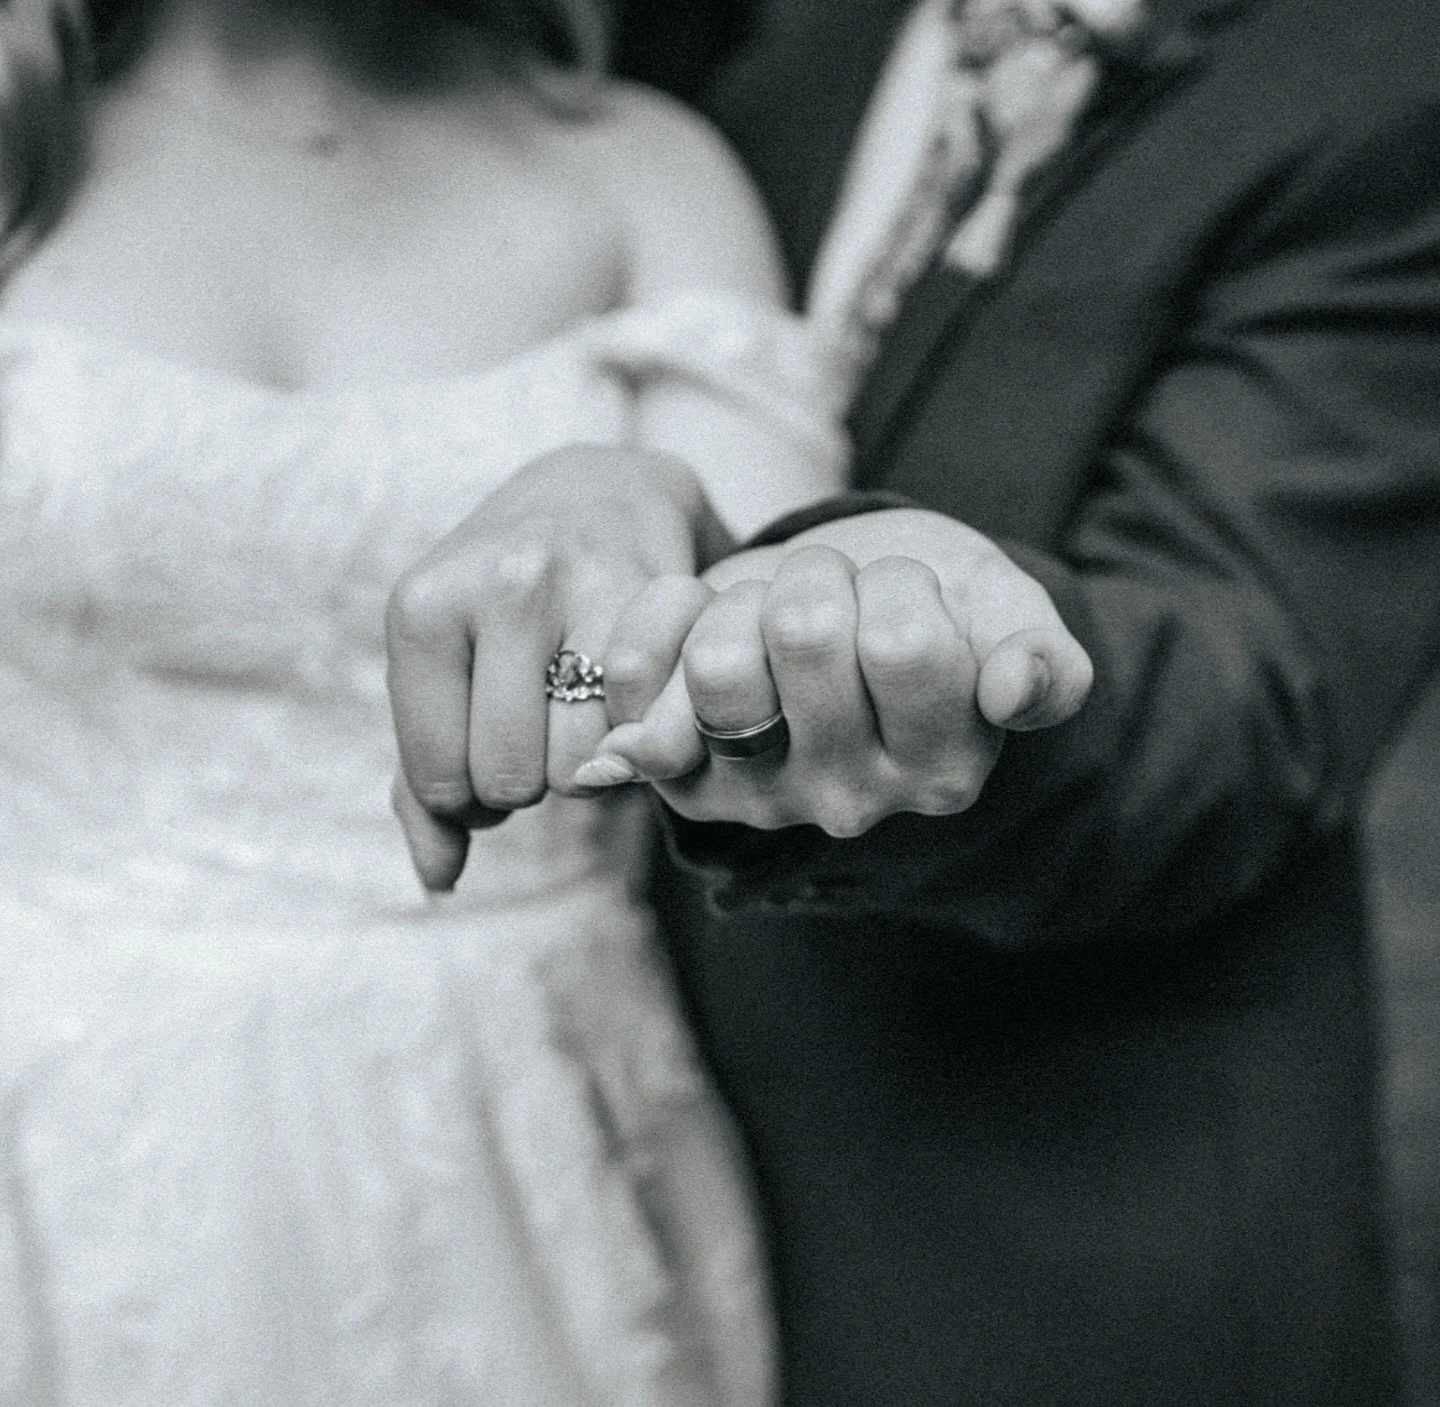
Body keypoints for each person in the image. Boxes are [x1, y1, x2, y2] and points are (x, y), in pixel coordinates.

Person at [386, 0, 1440, 1401]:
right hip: (614, 1152)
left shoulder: (1381, 83)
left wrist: (945, 653)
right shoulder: (775, 42)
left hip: (1047, 1222)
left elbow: (1237, 687)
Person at [0, 0, 907, 1401]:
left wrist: (635, 522)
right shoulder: (18, 152)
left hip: (509, 1128)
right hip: (48, 1147)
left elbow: (737, 690)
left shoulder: (638, 177)